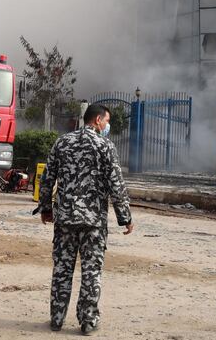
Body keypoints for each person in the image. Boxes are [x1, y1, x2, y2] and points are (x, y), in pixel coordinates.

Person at [37, 103, 133, 335]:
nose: (107, 125)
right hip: (93, 222)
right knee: (91, 272)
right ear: (98, 120)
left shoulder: (62, 142)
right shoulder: (105, 146)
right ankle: (88, 321)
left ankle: (56, 319)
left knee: (62, 269)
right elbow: (116, 185)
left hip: (65, 219)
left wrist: (45, 208)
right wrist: (125, 217)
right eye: (107, 121)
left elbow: (47, 177)